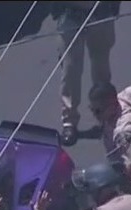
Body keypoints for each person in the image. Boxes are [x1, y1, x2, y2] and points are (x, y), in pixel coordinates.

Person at [51, 1, 121, 146]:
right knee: (70, 70)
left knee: (101, 68)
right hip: (70, 13)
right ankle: (69, 122)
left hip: (101, 11)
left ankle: (105, 113)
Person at [87, 82, 131, 181]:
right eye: (92, 109)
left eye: (98, 111)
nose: (95, 115)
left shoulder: (124, 131)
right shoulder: (124, 99)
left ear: (112, 105)